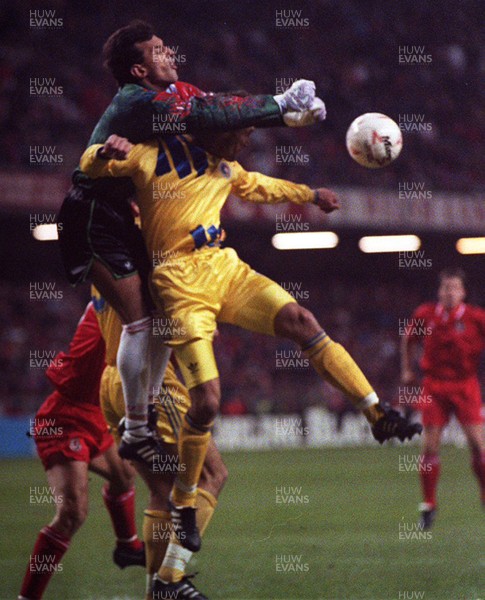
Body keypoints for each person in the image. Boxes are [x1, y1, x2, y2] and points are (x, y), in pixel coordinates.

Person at [79, 127, 421, 552]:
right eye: (240, 134)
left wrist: (310, 195)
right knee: (206, 401)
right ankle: (183, 513)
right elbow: (91, 167)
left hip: (225, 269)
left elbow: (261, 186)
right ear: (216, 130)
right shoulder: (150, 159)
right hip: (180, 284)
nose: (245, 143)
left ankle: (377, 414)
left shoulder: (225, 167)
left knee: (301, 319)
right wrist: (101, 150)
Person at [57, 19, 323, 465]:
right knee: (141, 322)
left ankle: (144, 412)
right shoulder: (137, 103)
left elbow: (218, 107)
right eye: (158, 50)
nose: (170, 53)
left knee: (159, 312)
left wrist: (284, 117)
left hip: (121, 213)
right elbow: (206, 118)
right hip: (91, 216)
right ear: (140, 71)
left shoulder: (169, 95)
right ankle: (136, 428)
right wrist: (277, 104)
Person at [92, 286, 227, 599]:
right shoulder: (150, 258)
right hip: (152, 381)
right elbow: (173, 321)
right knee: (212, 475)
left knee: (160, 490)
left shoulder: (108, 262)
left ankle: (155, 594)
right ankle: (170, 578)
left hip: (113, 380)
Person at [18, 304, 144, 600]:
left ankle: (128, 546)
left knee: (125, 474)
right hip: (65, 418)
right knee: (72, 513)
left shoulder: (133, 300)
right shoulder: (112, 300)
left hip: (97, 413)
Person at [401, 267, 485, 528]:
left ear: (463, 292)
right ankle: (428, 506)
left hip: (465, 385)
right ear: (439, 291)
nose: (449, 292)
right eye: (445, 288)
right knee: (429, 447)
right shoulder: (425, 314)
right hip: (434, 386)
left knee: (478, 446)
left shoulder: (476, 318)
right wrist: (406, 369)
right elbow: (408, 338)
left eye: (454, 288)